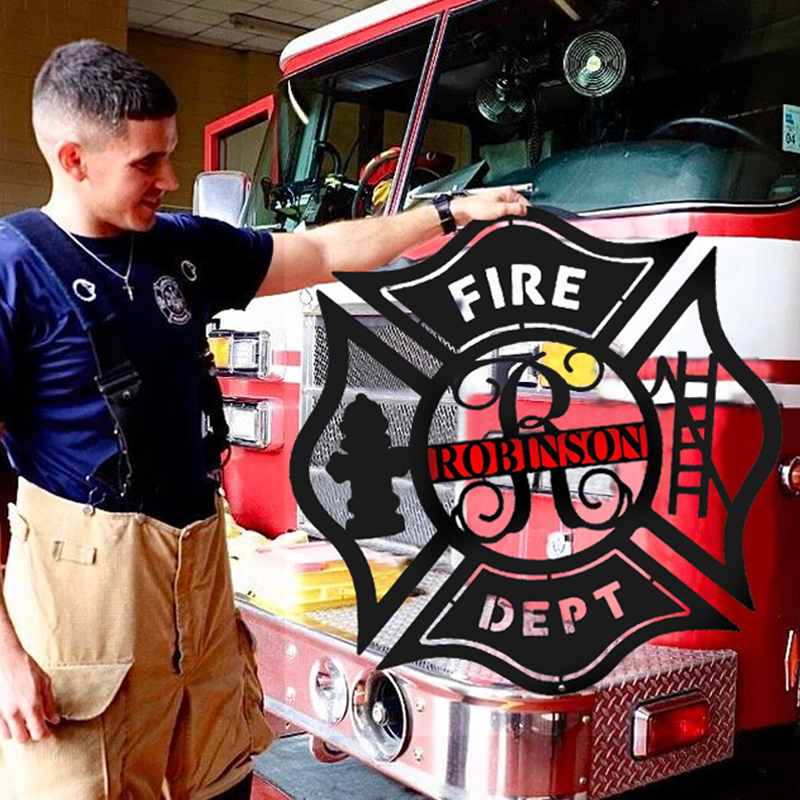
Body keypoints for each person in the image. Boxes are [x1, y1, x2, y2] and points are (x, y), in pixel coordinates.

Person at [0, 39, 527, 800]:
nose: (168, 179)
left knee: (219, 775)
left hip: (198, 567)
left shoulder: (182, 247)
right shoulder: (15, 271)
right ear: (74, 160)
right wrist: (7, 658)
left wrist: (442, 214)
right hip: (83, 589)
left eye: (170, 155)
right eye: (147, 163)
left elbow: (317, 250)